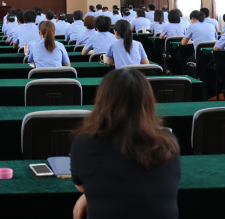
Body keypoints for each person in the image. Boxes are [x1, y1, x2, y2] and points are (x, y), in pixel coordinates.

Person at [70, 69, 181, 219]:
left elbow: (83, 186)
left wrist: (87, 196)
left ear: (102, 100)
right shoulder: (169, 142)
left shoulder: (84, 142)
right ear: (148, 101)